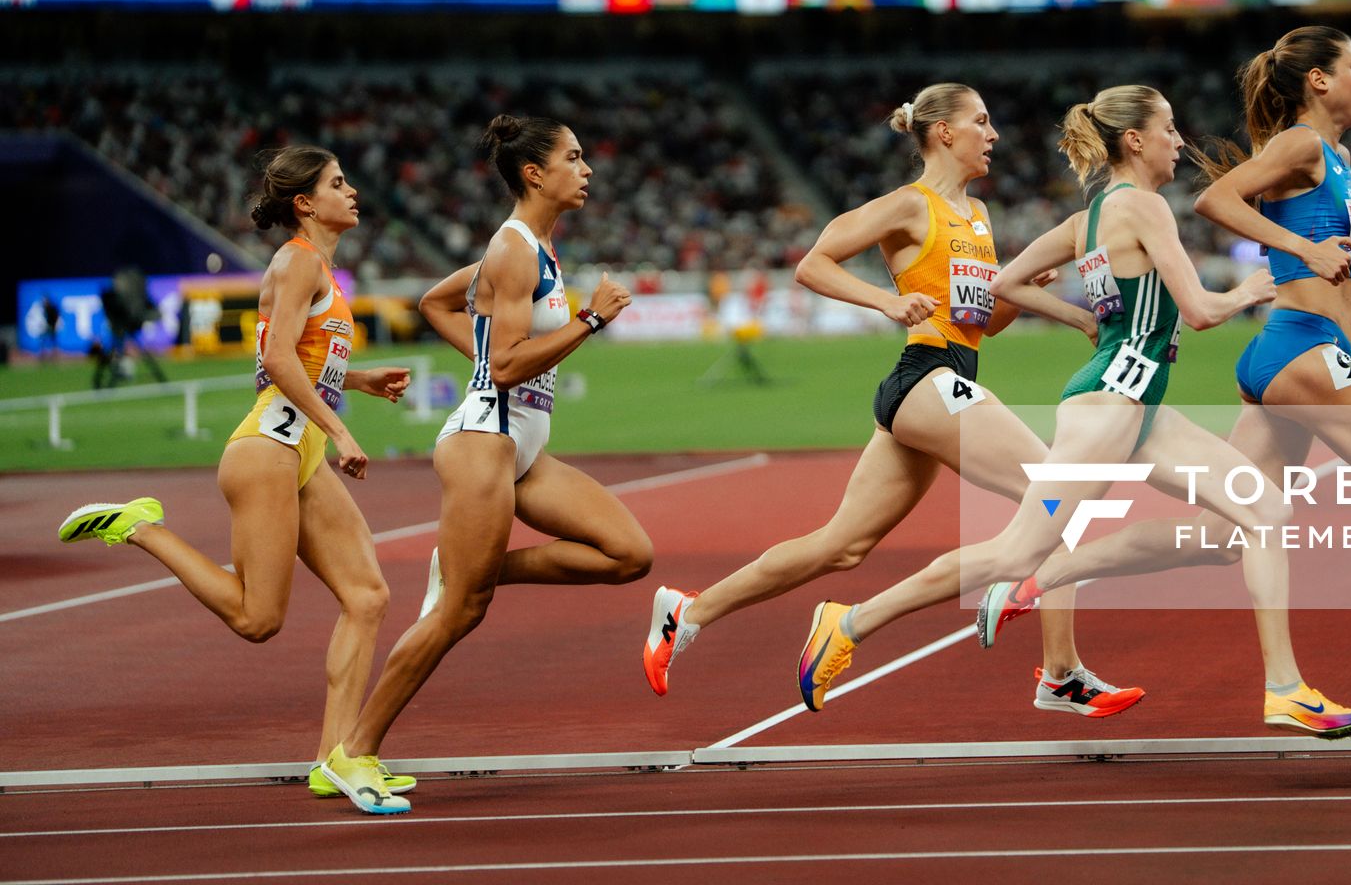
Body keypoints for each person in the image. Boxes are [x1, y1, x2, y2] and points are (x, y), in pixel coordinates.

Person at [980, 28, 1351, 759]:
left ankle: (1043, 575)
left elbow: (1323, 264)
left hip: (1290, 352)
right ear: (1319, 83)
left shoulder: (1337, 160)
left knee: (1226, 536)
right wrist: (1304, 250)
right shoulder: (1300, 145)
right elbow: (1215, 200)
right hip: (1301, 349)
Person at [643, 84, 1146, 719]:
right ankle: (1061, 673)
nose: (993, 135)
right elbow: (813, 264)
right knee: (1058, 497)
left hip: (941, 381)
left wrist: (1017, 292)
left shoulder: (979, 217)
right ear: (943, 133)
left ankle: (689, 611)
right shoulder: (911, 205)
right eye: (981, 122)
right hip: (929, 376)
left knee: (842, 546)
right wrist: (886, 301)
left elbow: (983, 325)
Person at [792, 86, 1291, 721]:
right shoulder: (1141, 206)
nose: (1180, 141)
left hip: (1137, 402)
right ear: (1134, 139)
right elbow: (1198, 312)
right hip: (1109, 403)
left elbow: (1001, 285)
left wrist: (1079, 318)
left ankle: (1284, 688)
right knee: (1014, 551)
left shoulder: (1091, 216)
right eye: (1169, 127)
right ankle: (853, 623)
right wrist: (1251, 288)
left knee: (1262, 508)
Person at [57, 146, 413, 800]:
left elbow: (291, 361)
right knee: (258, 619)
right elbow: (277, 364)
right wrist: (340, 430)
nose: (354, 190)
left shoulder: (321, 269)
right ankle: (142, 528)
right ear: (306, 203)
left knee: (367, 597)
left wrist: (359, 381)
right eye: (339, 183)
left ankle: (338, 757)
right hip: (267, 455)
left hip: (294, 453)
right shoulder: (297, 261)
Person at [322, 115, 650, 815]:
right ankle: (354, 753)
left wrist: (495, 352)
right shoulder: (513, 251)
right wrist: (589, 321)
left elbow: (438, 305)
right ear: (535, 173)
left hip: (522, 446)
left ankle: (474, 564)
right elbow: (501, 368)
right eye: (574, 156)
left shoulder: (536, 250)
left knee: (628, 553)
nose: (587, 168)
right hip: (485, 441)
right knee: (456, 616)